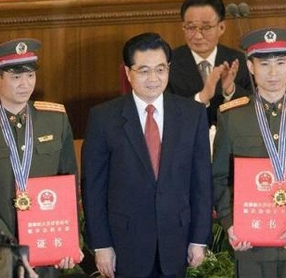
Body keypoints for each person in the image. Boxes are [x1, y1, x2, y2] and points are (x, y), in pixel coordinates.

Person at [81, 32, 213, 278]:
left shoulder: (192, 114)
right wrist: (101, 245)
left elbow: (201, 181)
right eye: (144, 71)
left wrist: (199, 238)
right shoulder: (103, 118)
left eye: (161, 69)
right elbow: (93, 188)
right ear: (128, 73)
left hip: (178, 240)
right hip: (125, 243)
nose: (154, 78)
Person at [0, 38, 83, 277]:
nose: (25, 84)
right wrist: (10, 248)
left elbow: (68, 181)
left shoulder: (56, 119)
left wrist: (68, 239)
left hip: (47, 245)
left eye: (30, 76)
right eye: (15, 77)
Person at [213, 27, 286, 277]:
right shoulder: (232, 117)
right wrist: (231, 224)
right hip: (251, 242)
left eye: (280, 62)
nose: (273, 72)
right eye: (264, 64)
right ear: (250, 66)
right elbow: (218, 176)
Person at [168, 0, 252, 126]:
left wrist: (230, 90)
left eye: (206, 28)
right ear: (183, 27)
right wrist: (202, 97)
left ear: (222, 27)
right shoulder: (168, 63)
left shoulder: (238, 60)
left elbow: (253, 106)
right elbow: (167, 111)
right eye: (190, 27)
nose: (197, 36)